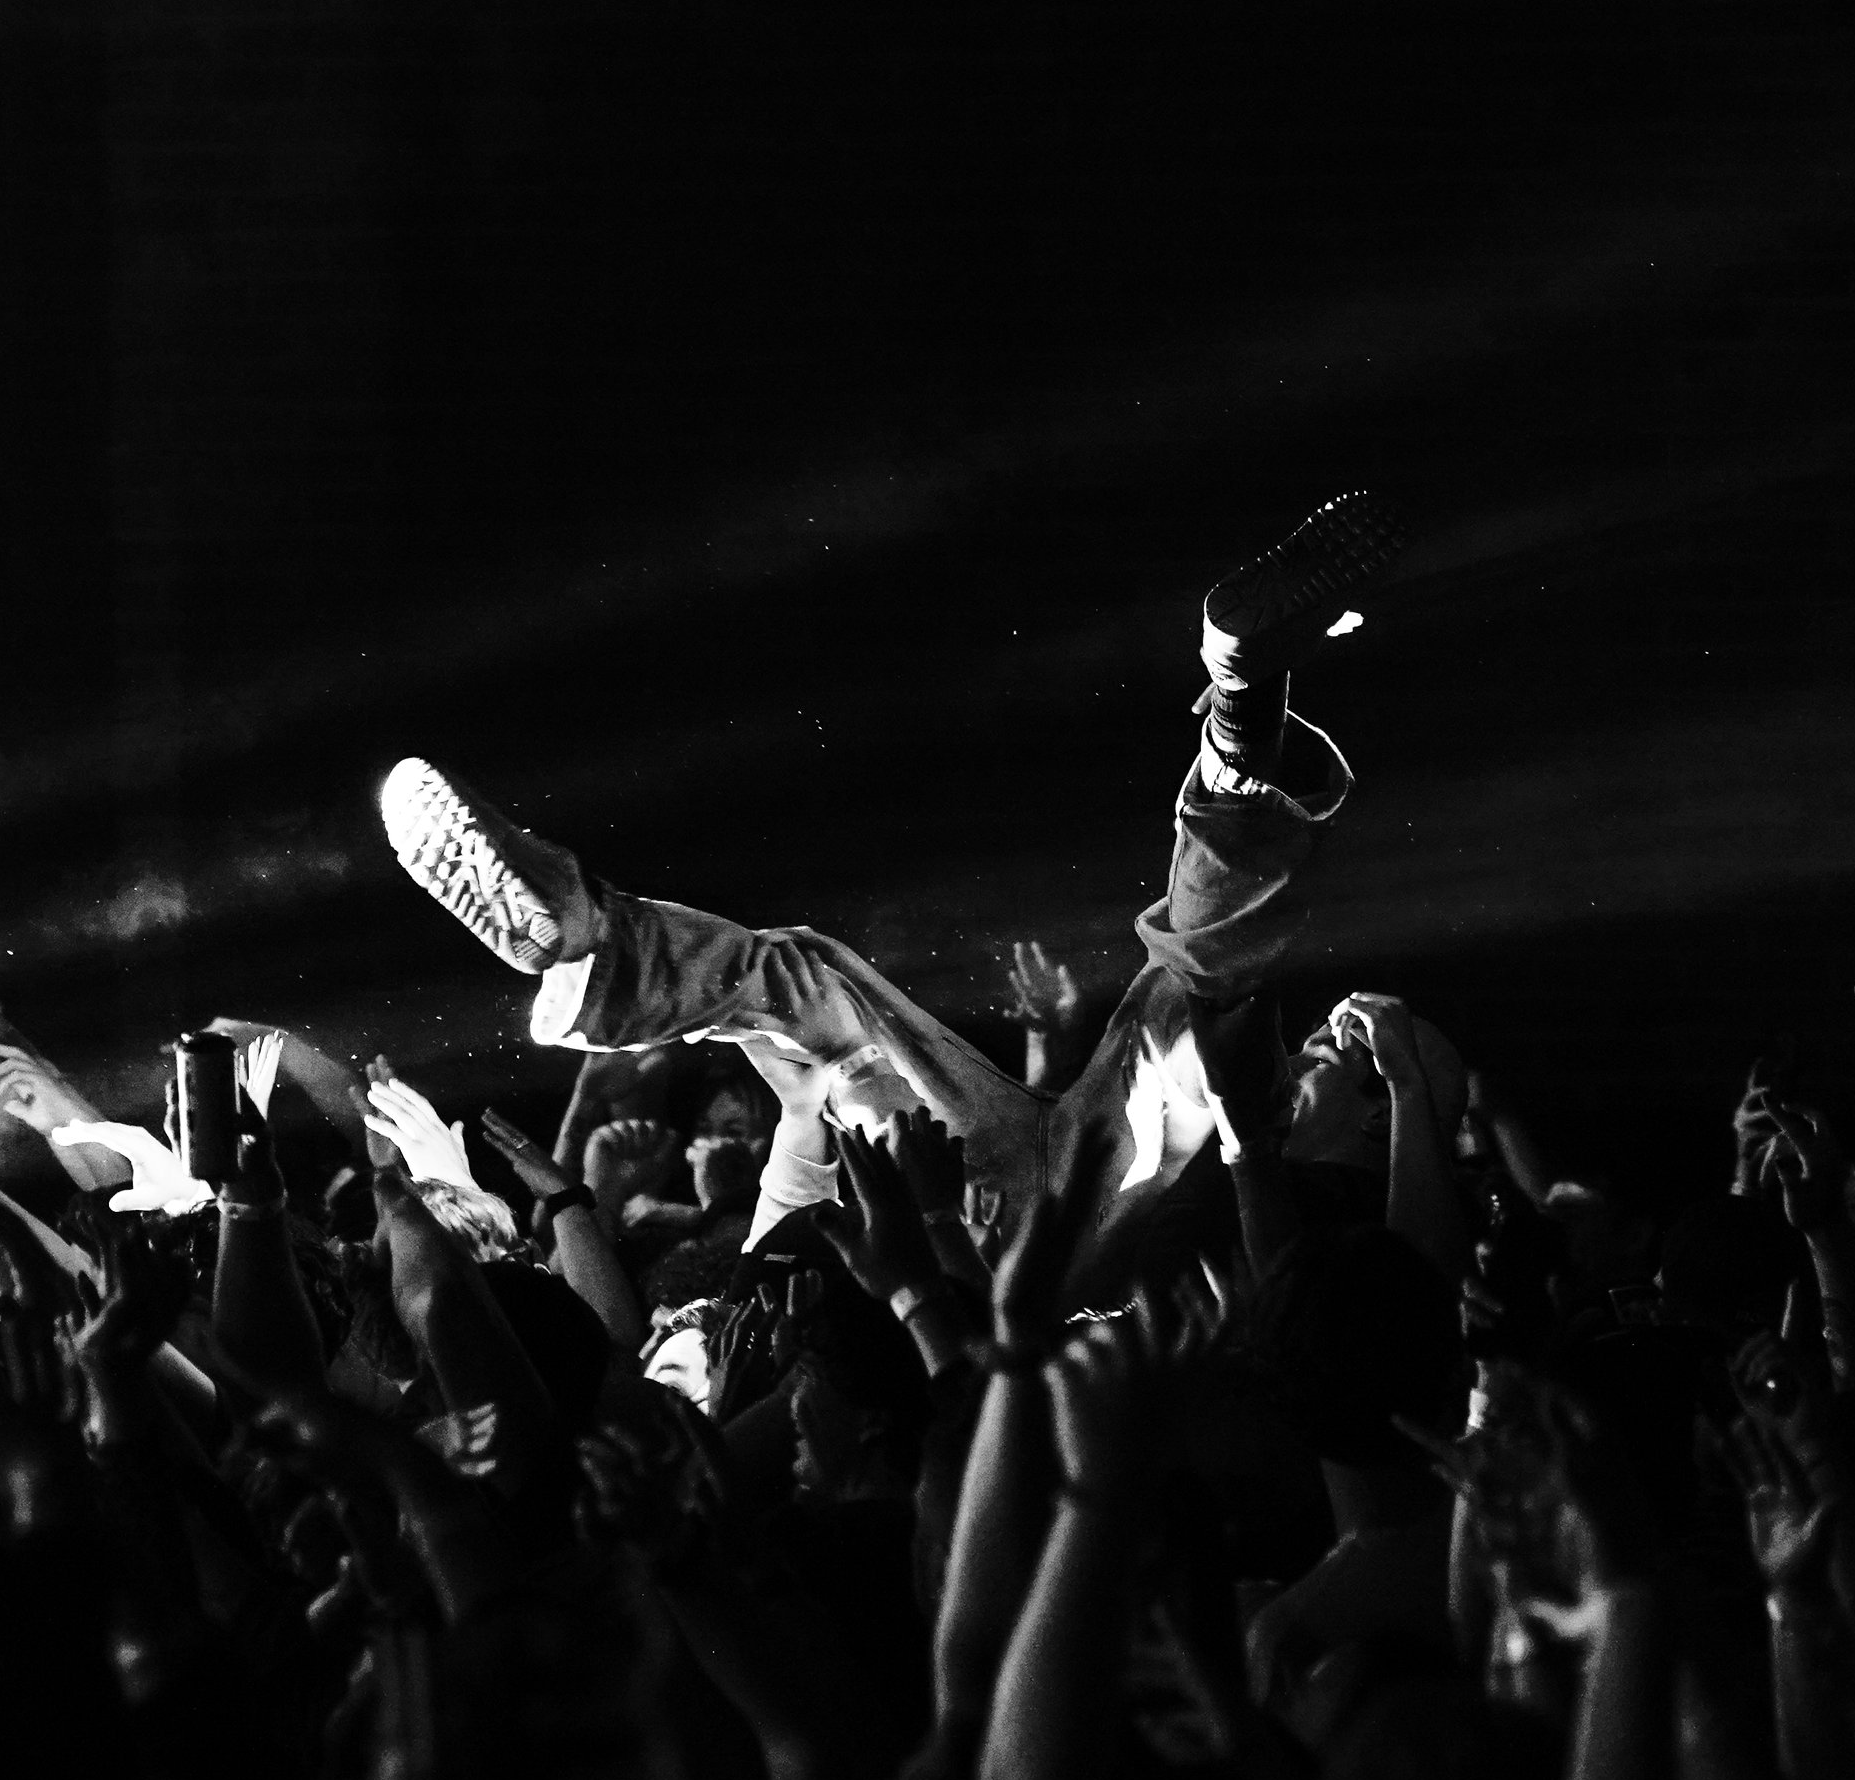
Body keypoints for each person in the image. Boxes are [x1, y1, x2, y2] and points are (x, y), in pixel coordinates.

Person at [381, 493, 1406, 1302]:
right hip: (1042, 1159)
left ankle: (594, 947)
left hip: (1032, 1263)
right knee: (809, 974)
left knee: (1213, 1018)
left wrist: (1290, 1126)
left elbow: (1270, 1243)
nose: (1329, 1039)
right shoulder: (1281, 1157)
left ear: (1382, 1139)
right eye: (1339, 1041)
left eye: (1354, 1069)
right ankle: (582, 934)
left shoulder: (1318, 1224)